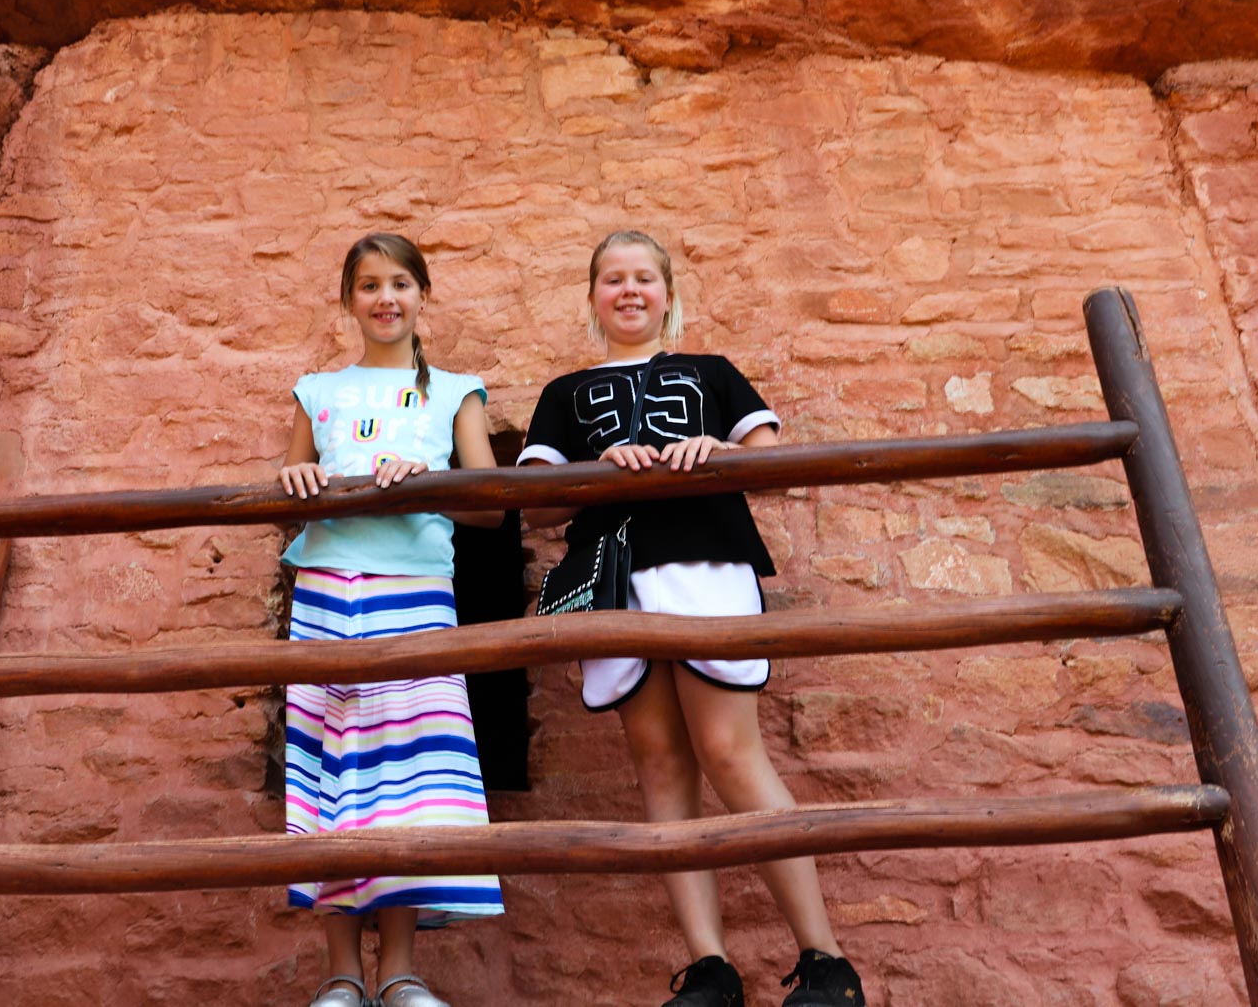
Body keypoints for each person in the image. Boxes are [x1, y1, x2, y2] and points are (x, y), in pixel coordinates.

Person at [518, 231, 866, 1007]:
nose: (629, 290)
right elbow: (535, 503)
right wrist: (595, 470)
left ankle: (826, 961)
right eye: (613, 278)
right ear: (592, 296)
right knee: (660, 764)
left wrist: (716, 448)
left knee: (729, 750)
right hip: (614, 578)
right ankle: (710, 967)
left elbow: (768, 457)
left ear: (668, 294)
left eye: (644, 277)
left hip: (705, 561)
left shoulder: (711, 372)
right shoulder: (564, 392)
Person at [278, 233, 504, 1007]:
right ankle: (343, 974)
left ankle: (399, 971)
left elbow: (492, 505)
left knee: (407, 776)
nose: (386, 298)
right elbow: (288, 488)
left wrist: (430, 478)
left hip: (415, 592)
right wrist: (298, 477)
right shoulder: (316, 390)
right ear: (348, 300)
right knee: (332, 770)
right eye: (369, 284)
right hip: (325, 589)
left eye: (401, 283)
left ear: (422, 295)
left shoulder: (458, 392)